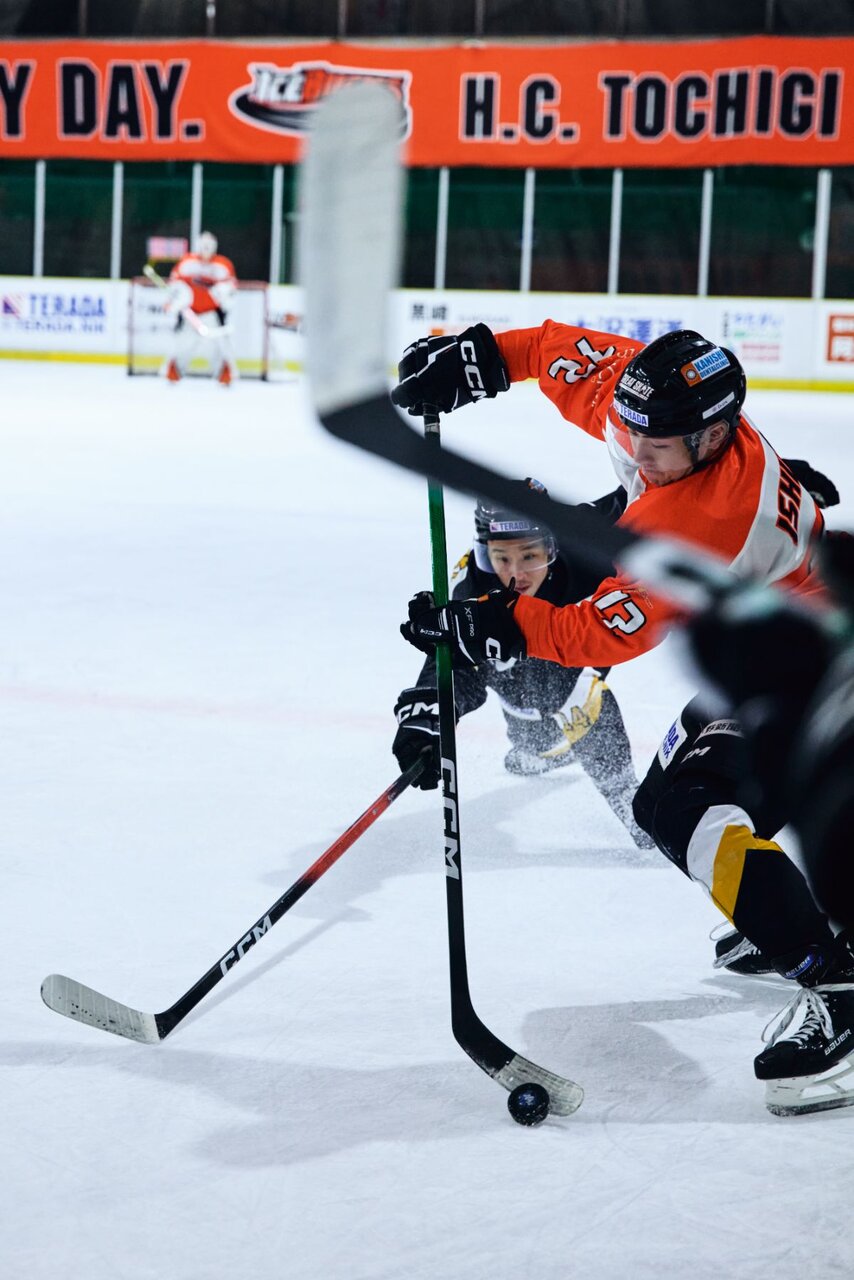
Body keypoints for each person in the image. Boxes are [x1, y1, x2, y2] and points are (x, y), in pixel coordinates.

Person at [392, 321, 852, 1116]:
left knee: (690, 808)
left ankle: (837, 982)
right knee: (662, 801)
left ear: (714, 437)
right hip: (783, 652)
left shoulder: (708, 518)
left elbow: (595, 636)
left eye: (658, 447)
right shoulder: (648, 407)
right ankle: (805, 920)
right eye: (632, 433)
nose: (637, 453)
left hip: (823, 678)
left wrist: (495, 625)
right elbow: (552, 352)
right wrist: (481, 358)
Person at [393, 480, 655, 850]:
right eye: (501, 558)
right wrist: (430, 713)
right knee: (534, 735)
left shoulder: (586, 538)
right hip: (519, 658)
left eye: (530, 556)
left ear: (553, 545)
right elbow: (460, 666)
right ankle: (543, 743)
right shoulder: (473, 590)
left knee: (575, 695)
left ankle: (625, 794)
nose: (516, 575)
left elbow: (642, 492)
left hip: (585, 648)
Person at [161, 231, 238, 385]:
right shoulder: (186, 262)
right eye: (203, 246)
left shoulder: (223, 264)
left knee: (218, 345)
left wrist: (223, 292)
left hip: (211, 313)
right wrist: (174, 300)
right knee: (183, 344)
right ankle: (174, 372)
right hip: (190, 314)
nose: (206, 249)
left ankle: (224, 374)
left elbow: (232, 287)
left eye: (209, 246)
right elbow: (174, 283)